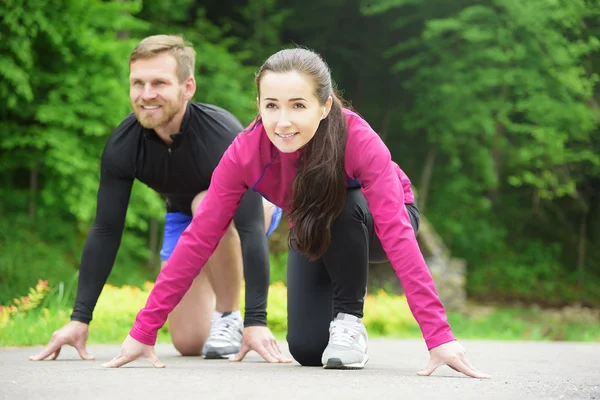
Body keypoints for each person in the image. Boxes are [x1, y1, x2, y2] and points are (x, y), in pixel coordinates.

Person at [101, 47, 490, 378]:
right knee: (306, 349)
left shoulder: (359, 140)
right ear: (259, 106)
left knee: (342, 200)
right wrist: (143, 331)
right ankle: (330, 328)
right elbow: (200, 236)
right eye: (271, 106)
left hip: (378, 223)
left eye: (298, 106)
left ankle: (350, 320)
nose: (283, 121)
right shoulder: (244, 152)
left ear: (324, 107)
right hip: (312, 222)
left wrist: (439, 338)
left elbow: (398, 235)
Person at [29, 34, 288, 363]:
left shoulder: (221, 134)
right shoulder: (124, 147)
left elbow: (250, 229)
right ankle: (214, 285)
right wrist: (80, 318)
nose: (146, 95)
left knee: (208, 206)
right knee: (190, 343)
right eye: (138, 83)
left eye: (159, 83)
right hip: (182, 218)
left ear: (187, 87)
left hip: (249, 210)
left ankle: (228, 317)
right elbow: (107, 230)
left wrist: (256, 321)